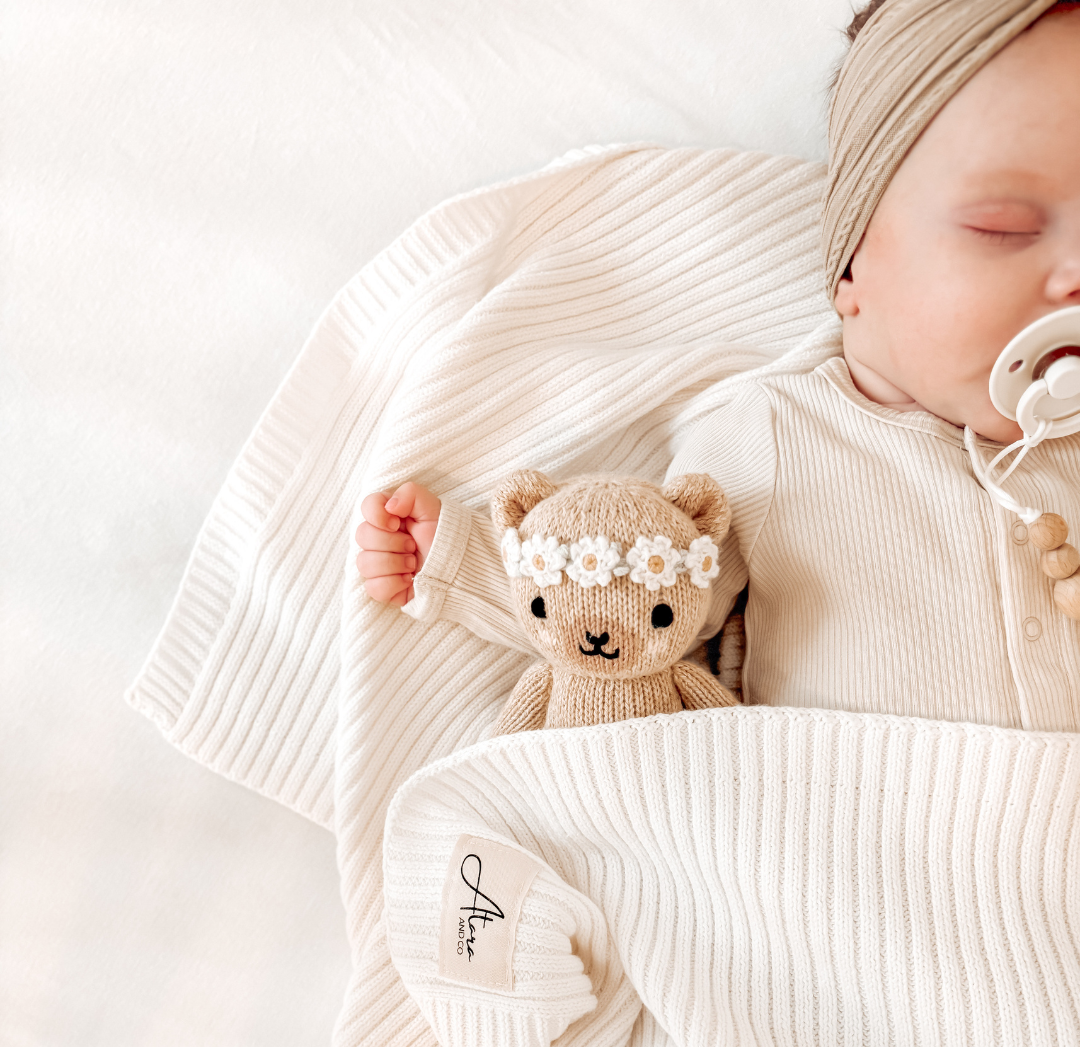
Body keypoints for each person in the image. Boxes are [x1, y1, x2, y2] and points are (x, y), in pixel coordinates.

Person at [355, 0, 1080, 732]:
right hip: (834, 802)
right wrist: (452, 560)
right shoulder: (777, 435)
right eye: (1002, 228)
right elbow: (636, 604)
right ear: (853, 263)